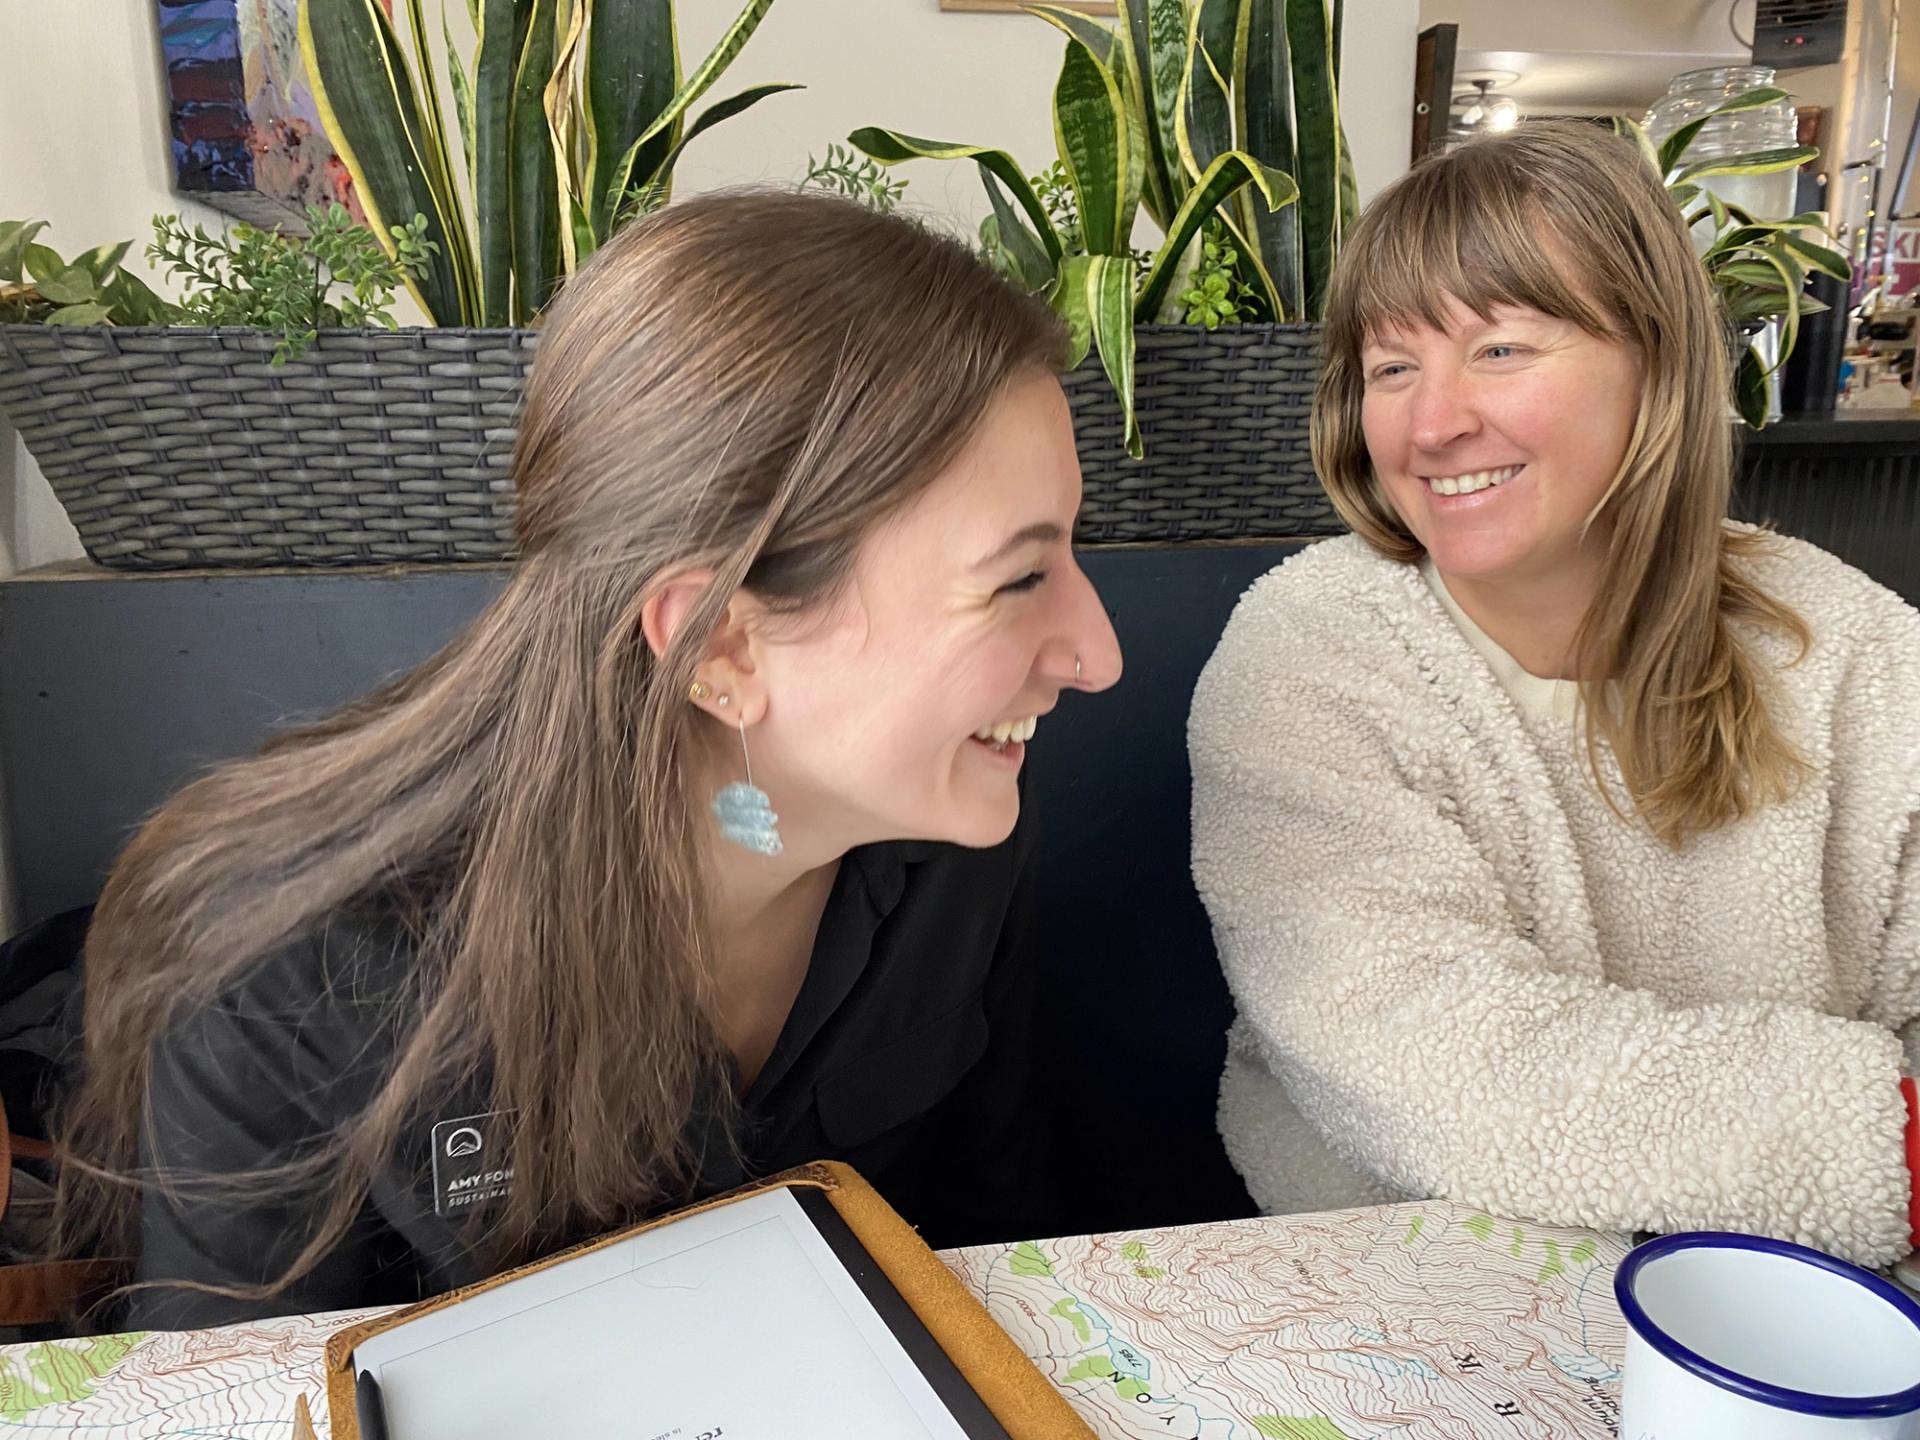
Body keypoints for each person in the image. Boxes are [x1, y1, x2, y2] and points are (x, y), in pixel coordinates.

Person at [57, 191, 1122, 1327]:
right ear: (720, 644)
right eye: (1018, 578)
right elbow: (241, 1399)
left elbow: (1006, 1274)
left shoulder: (961, 833)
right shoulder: (294, 967)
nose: (1096, 653)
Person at [1190, 122, 1920, 1267]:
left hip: (1807, 1291)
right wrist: (1884, 1141)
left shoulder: (1850, 645)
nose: (1431, 425)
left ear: (1658, 364)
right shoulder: (1310, 650)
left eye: (1499, 350)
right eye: (1391, 368)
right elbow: (1414, 1053)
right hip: (1418, 1278)